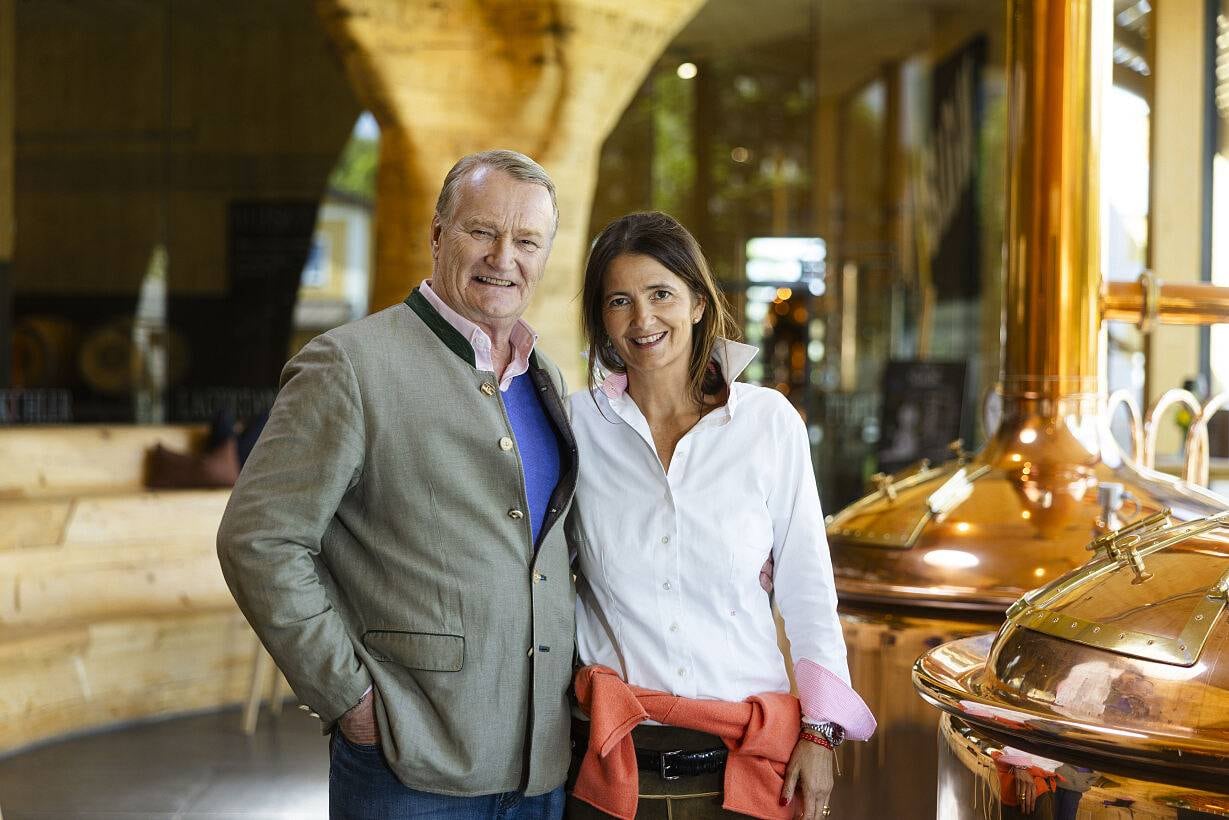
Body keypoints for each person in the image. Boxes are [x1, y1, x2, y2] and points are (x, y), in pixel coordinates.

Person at [217, 150, 578, 820]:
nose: (504, 257)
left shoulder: (546, 378)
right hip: (407, 767)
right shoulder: (348, 365)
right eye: (482, 231)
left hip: (540, 772)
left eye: (527, 241)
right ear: (438, 234)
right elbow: (258, 540)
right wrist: (348, 698)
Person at [565, 212, 875, 820]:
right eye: (620, 301)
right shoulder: (577, 426)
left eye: (661, 294)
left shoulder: (768, 423)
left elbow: (808, 590)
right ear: (602, 319)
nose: (643, 319)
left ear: (699, 303)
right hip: (613, 769)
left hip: (745, 769)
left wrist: (821, 733)